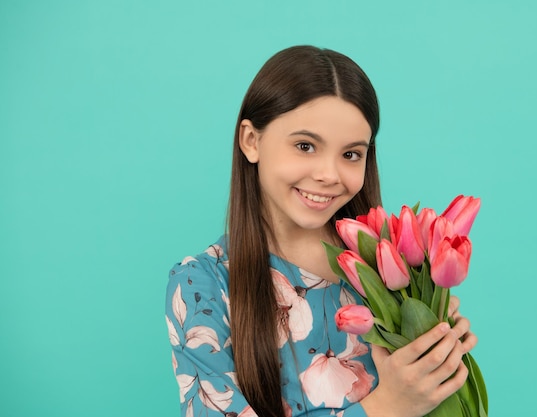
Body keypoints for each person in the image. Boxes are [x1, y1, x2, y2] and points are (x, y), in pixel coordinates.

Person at [165, 45, 477, 417]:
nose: (329, 175)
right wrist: (385, 408)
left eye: (350, 154)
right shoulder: (203, 286)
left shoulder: (391, 264)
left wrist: (440, 355)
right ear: (251, 141)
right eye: (305, 146)